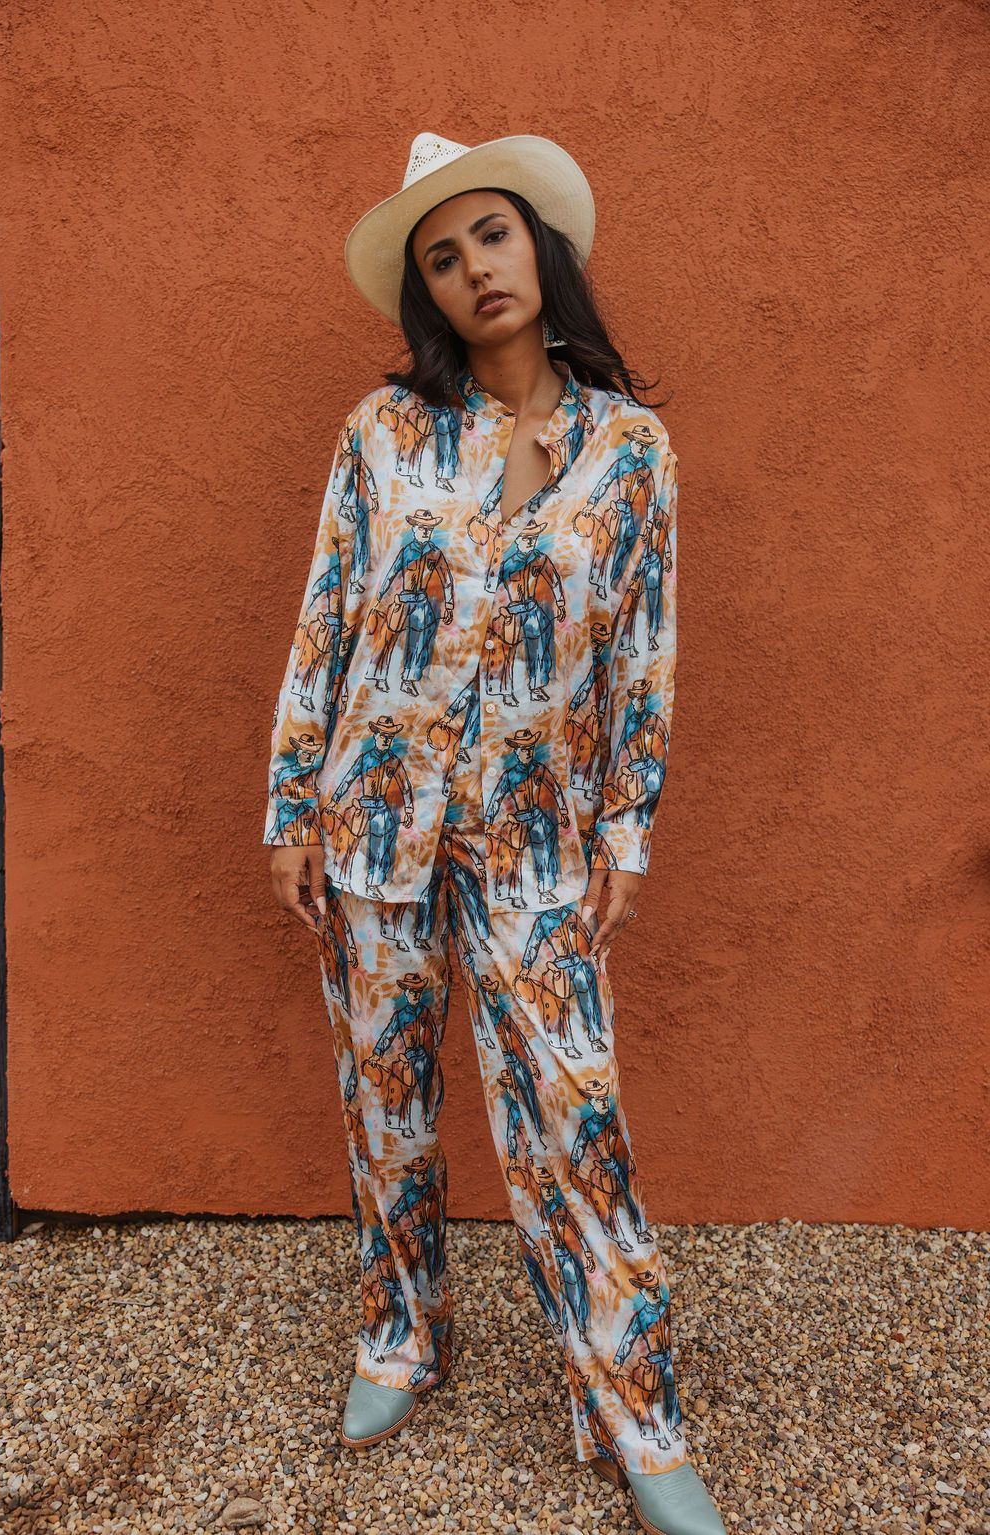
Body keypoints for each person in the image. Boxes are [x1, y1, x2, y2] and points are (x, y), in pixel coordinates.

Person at [264, 130, 724, 1535]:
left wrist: (626, 835)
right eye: (443, 256)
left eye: (493, 235)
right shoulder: (383, 432)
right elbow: (329, 617)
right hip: (372, 816)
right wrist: (290, 804)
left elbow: (642, 653)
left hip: (535, 838)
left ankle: (638, 1413)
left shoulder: (629, 451)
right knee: (386, 1100)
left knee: (575, 1114)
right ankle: (404, 1332)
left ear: (542, 249)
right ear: (429, 293)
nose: (475, 269)